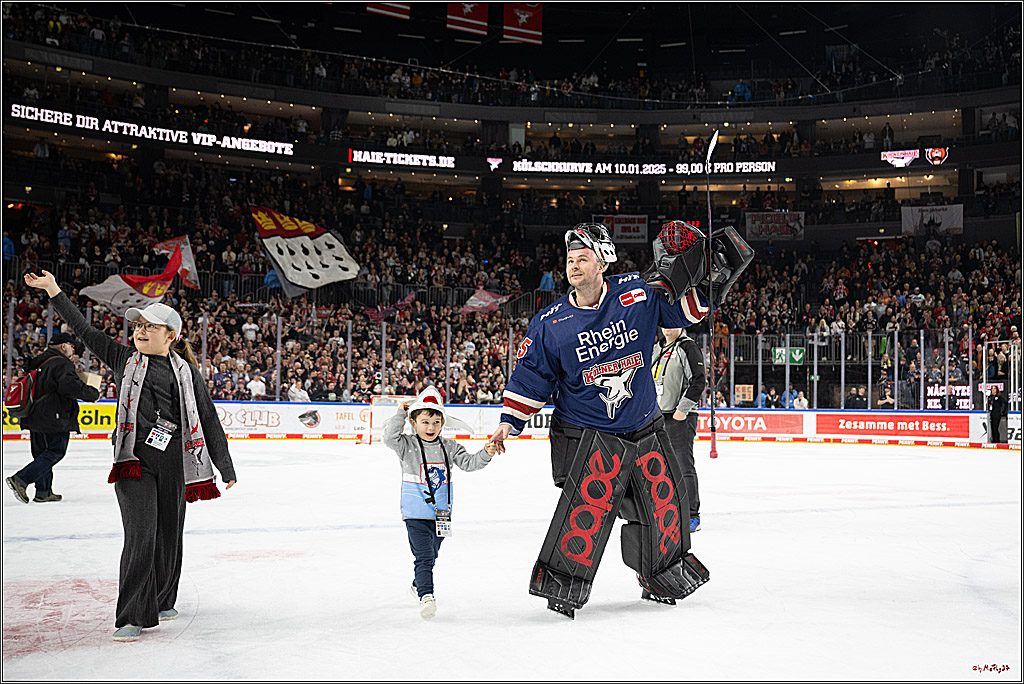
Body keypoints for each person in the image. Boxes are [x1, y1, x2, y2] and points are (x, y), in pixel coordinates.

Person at [488, 220, 749, 617]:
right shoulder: (549, 323)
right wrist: (509, 423)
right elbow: (530, 377)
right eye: (570, 259)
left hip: (645, 426)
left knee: (662, 509)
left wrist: (708, 284)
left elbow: (681, 313)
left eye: (583, 258)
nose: (574, 266)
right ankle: (564, 585)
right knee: (586, 517)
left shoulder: (636, 294)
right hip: (588, 436)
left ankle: (661, 576)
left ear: (603, 261)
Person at [23, 270, 236, 643]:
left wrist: (224, 464)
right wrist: (54, 291)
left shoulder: (187, 374)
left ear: (171, 336)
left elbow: (208, 417)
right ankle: (133, 614)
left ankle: (164, 596)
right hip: (132, 461)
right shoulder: (125, 359)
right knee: (141, 535)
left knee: (169, 534)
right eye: (137, 326)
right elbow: (85, 332)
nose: (139, 331)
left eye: (150, 327)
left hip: (174, 463)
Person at [382, 386, 496, 620]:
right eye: (425, 422)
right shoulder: (407, 446)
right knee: (424, 557)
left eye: (436, 422)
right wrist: (400, 413)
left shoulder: (450, 446)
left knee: (431, 556)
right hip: (415, 514)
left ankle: (417, 583)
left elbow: (470, 463)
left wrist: (486, 452)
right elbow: (389, 438)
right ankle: (426, 596)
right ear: (414, 423)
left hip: (441, 514)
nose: (431, 427)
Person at [6, 333, 100, 504]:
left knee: (41, 453)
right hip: (54, 415)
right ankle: (21, 479)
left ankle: (43, 491)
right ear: (64, 346)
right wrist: (92, 393)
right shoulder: (61, 363)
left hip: (33, 415)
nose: (73, 350)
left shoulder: (39, 360)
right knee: (55, 451)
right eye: (72, 346)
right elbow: (69, 387)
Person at [652, 328, 704, 534]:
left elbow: (698, 380)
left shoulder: (687, 347)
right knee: (659, 468)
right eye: (665, 324)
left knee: (683, 466)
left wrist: (682, 410)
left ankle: (692, 515)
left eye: (674, 324)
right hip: (657, 415)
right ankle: (666, 510)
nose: (668, 328)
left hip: (678, 417)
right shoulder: (658, 348)